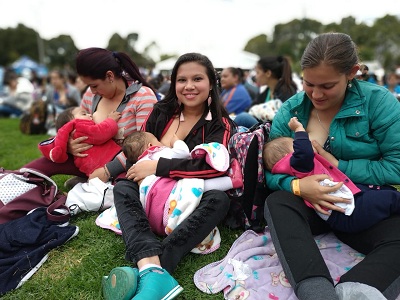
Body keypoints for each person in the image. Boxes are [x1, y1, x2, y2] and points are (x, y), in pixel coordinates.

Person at [264, 32, 400, 300]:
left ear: (352, 72)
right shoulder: (290, 111)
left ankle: (361, 289)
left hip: (362, 206)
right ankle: (316, 290)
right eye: (308, 83)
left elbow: (396, 166)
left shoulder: (379, 102)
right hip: (312, 209)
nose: (316, 94)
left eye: (327, 86)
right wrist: (298, 186)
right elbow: (268, 172)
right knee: (277, 202)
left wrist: (338, 164)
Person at [102, 52, 236, 300]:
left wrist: (159, 168)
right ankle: (148, 261)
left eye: (197, 79)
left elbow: (216, 166)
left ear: (211, 84)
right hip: (150, 192)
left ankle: (161, 264)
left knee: (219, 200)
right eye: (181, 80)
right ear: (173, 83)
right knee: (122, 187)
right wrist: (108, 170)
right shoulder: (161, 111)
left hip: (190, 197)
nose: (189, 86)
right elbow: (138, 147)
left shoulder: (220, 124)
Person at [22, 48, 158, 186]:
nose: (93, 91)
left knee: (124, 186)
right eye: (89, 86)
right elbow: (76, 124)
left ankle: (93, 183)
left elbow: (145, 144)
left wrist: (108, 170)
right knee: (44, 163)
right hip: (89, 160)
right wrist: (69, 144)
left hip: (126, 166)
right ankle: (14, 180)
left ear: (110, 76)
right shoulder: (91, 95)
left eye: (95, 85)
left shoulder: (142, 97)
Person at [264, 116, 400, 233]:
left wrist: (323, 155)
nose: (300, 143)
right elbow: (303, 151)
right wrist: (299, 129)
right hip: (348, 212)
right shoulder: (297, 164)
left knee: (382, 193)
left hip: (342, 212)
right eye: (294, 144)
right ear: (286, 156)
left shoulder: (297, 169)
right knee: (389, 199)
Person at [39, 106, 121, 179]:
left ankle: (81, 182)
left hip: (92, 165)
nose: (90, 115)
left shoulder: (77, 130)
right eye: (84, 114)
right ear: (71, 122)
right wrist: (111, 120)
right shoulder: (79, 126)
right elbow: (100, 133)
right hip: (105, 161)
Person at [234, 56, 298, 128]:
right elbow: (250, 108)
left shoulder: (287, 92)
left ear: (268, 73)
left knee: (242, 118)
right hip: (265, 128)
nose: (255, 76)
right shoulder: (266, 91)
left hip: (277, 131)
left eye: (257, 72)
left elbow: (283, 120)